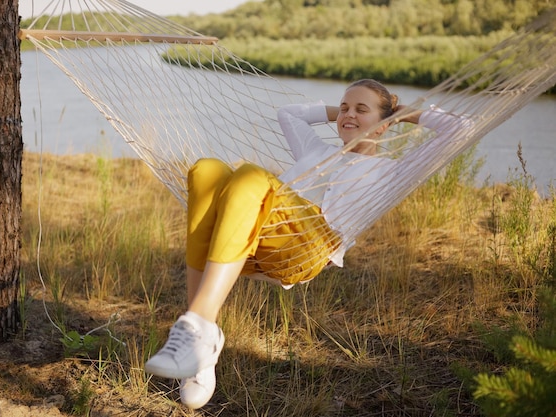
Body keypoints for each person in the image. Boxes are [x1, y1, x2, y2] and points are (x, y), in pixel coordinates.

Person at [144, 79, 472, 409]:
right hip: (253, 237)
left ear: (384, 123)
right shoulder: (316, 151)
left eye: (361, 109)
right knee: (206, 170)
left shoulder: (393, 173)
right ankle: (201, 335)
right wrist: (342, 114)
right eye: (344, 107)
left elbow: (462, 129)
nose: (348, 114)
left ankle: (197, 327)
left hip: (307, 248)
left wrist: (408, 115)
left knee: (250, 176)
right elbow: (289, 114)